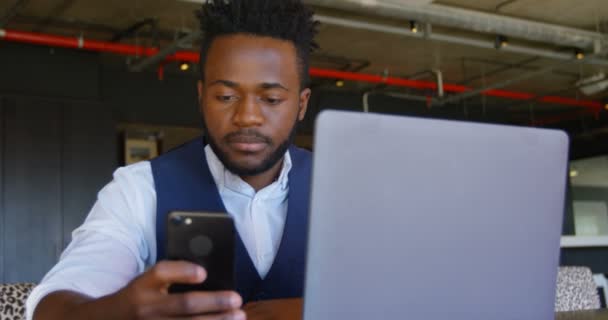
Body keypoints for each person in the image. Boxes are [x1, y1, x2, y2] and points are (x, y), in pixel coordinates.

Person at [27, 0, 319, 319]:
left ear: (302, 104)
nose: (247, 117)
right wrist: (117, 312)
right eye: (225, 96)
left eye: (271, 99)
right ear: (201, 95)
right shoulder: (140, 189)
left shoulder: (347, 191)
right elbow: (53, 305)